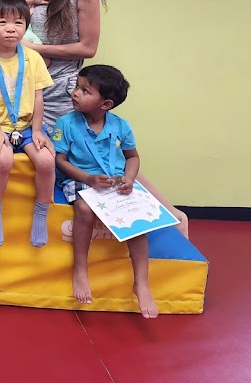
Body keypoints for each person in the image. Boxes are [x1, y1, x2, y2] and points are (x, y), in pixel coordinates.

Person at [25, 0, 189, 237]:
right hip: (29, 84)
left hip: (61, 89)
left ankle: (173, 217)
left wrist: (39, 50)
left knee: (96, 158)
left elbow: (88, 47)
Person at [53, 65, 158, 318]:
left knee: (138, 218)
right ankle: (80, 270)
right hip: (81, 179)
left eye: (85, 90)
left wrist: (129, 179)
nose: (75, 93)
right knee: (83, 208)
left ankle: (141, 283)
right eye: (77, 87)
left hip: (116, 182)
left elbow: (132, 157)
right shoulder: (66, 123)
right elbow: (60, 160)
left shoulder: (121, 126)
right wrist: (88, 178)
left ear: (106, 104)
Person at [0, 0, 55, 248]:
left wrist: (38, 130)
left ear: (26, 26)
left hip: (27, 126)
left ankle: (41, 213)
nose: (11, 29)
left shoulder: (33, 58)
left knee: (46, 160)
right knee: (3, 159)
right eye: (3, 22)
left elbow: (38, 97)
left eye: (18, 22)